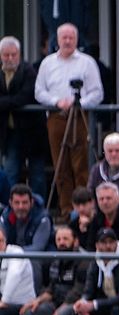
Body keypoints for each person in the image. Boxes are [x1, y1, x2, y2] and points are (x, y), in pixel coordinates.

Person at [34, 23, 103, 217]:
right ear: (57, 39)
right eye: (64, 37)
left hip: (80, 117)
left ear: (76, 39)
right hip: (56, 117)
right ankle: (66, 210)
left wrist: (78, 103)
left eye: (71, 37)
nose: (67, 41)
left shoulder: (87, 62)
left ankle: (83, 209)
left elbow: (97, 93)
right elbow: (39, 91)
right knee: (60, 165)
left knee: (80, 165)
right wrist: (56, 101)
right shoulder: (47, 63)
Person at [20, 226, 84, 315]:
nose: (61, 243)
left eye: (65, 239)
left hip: (76, 305)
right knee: (27, 313)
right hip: (55, 303)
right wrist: (37, 301)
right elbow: (51, 289)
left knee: (64, 314)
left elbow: (77, 293)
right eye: (58, 239)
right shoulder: (56, 260)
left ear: (75, 241)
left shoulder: (83, 261)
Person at [0, 35, 48, 200]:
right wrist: (12, 102)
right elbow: (17, 100)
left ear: (19, 54)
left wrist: (4, 103)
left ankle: (38, 208)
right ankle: (9, 208)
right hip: (10, 132)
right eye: (6, 55)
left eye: (13, 54)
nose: (10, 58)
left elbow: (25, 96)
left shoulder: (29, 71)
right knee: (10, 172)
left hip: (33, 132)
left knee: (37, 175)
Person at [0, 227, 35, 315]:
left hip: (22, 305)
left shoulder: (16, 252)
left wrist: (4, 301)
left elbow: (14, 275)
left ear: (5, 241)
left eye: (0, 241)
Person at [80, 181, 119, 253]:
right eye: (101, 199)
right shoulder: (96, 219)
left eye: (108, 198)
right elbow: (90, 247)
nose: (105, 202)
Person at [1, 184, 53, 252]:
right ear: (11, 203)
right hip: (10, 256)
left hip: (37, 257)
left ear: (31, 202)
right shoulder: (5, 217)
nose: (21, 207)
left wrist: (13, 251)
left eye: (25, 202)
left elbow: (38, 248)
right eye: (17, 202)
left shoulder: (43, 219)